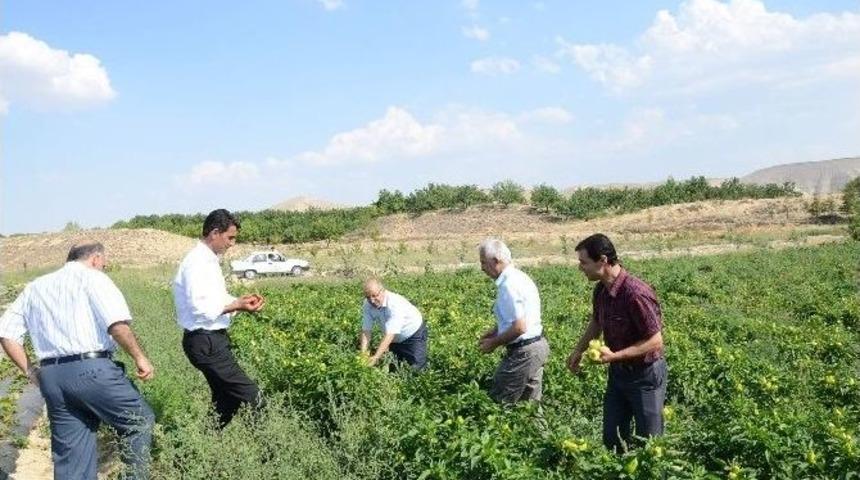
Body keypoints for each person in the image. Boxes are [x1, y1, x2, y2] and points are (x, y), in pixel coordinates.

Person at [0, 242, 155, 480]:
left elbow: (7, 333)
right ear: (95, 258)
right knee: (138, 421)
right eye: (104, 263)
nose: (105, 266)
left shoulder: (35, 287)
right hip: (92, 370)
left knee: (73, 457)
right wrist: (140, 357)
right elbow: (117, 325)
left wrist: (31, 372)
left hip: (52, 377)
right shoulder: (94, 278)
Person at [566, 233, 667, 452]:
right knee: (613, 437)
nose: (580, 267)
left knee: (649, 442)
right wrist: (578, 350)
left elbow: (655, 341)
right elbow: (596, 322)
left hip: (645, 375)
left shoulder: (636, 294)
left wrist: (615, 356)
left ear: (602, 260)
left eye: (584, 262)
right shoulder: (601, 290)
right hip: (619, 375)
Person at [173, 208, 265, 427]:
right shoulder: (198, 262)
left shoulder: (206, 260)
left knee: (226, 400)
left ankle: (196, 452)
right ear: (214, 232)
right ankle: (270, 454)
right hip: (207, 341)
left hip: (207, 340)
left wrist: (240, 302)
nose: (232, 243)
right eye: (229, 237)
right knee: (255, 397)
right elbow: (200, 307)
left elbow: (214, 299)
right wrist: (236, 305)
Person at [477, 238, 549, 403]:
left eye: (483, 263)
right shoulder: (519, 277)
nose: (482, 268)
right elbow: (519, 319)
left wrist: (494, 342)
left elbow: (519, 327)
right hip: (536, 347)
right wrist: (496, 330)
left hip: (524, 352)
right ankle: (539, 430)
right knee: (530, 407)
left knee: (499, 400)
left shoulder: (509, 285)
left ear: (496, 261)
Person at [359, 278, 428, 370]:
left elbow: (390, 334)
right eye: (368, 297)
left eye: (374, 296)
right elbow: (366, 330)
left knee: (416, 369)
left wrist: (376, 357)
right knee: (395, 368)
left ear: (383, 291)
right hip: (394, 339)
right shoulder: (367, 305)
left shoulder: (394, 304)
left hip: (413, 334)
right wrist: (363, 354)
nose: (372, 300)